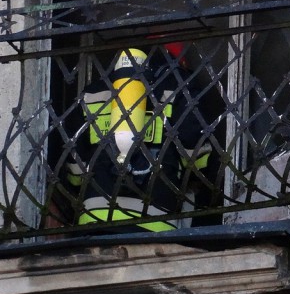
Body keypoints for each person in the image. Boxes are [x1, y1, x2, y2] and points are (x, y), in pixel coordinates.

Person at [64, 42, 213, 233]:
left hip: (95, 214)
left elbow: (74, 160)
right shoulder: (180, 87)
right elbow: (195, 152)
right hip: (155, 216)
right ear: (178, 61)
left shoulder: (92, 92)